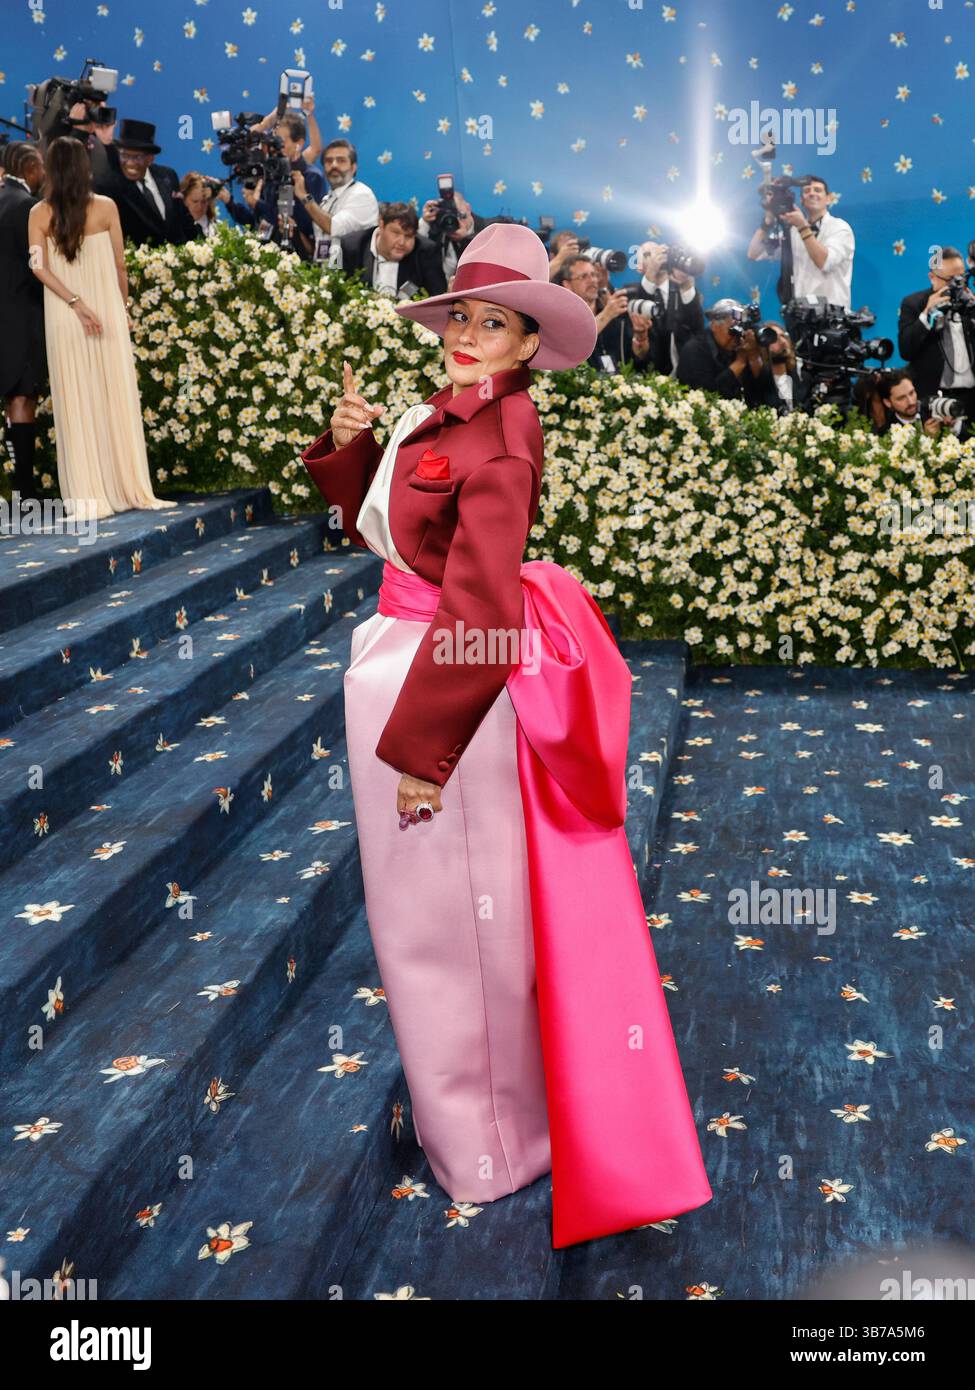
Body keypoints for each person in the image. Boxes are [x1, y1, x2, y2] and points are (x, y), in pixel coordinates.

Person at [299, 223, 713, 1248]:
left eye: (493, 322)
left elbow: (479, 600)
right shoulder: (439, 411)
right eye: (460, 315)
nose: (468, 333)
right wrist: (355, 445)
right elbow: (392, 530)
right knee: (424, 927)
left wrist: (422, 755)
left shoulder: (503, 435)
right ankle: (482, 1127)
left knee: (455, 934)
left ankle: (492, 1144)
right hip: (402, 661)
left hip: (448, 687)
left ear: (529, 342)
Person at [27, 136, 169, 519]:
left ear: (51, 169)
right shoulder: (106, 207)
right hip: (104, 310)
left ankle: (91, 492)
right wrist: (120, 308)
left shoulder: (39, 213)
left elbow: (38, 267)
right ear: (84, 167)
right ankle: (127, 486)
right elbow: (121, 267)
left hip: (65, 313)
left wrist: (75, 303)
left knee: (79, 397)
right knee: (112, 395)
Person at [0, 143, 47, 501]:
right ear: (30, 168)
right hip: (21, 314)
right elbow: (38, 266)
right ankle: (25, 489)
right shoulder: (28, 207)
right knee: (21, 399)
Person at [747, 174, 855, 321]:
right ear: (802, 201)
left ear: (828, 198)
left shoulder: (840, 228)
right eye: (807, 191)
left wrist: (802, 226)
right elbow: (753, 253)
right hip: (801, 320)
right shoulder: (792, 231)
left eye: (818, 190)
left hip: (832, 320)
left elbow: (824, 262)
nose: (812, 193)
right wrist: (767, 222)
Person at [898, 245, 975, 426]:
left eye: (961, 278)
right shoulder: (914, 304)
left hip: (972, 397)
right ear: (932, 277)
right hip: (935, 399)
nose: (958, 285)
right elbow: (906, 351)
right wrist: (927, 314)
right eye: (950, 280)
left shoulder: (969, 303)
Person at [93, 119, 186, 248]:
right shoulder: (111, 187)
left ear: (150, 158)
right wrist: (107, 145)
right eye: (124, 155)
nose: (130, 163)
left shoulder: (168, 176)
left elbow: (182, 219)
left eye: (137, 157)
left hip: (176, 263)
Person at [335, 201, 447, 298]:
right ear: (381, 225)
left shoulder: (426, 252)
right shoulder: (351, 246)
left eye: (408, 236)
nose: (402, 242)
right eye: (396, 233)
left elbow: (437, 297)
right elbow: (337, 290)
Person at [561, 253, 652, 372]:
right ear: (567, 285)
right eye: (583, 276)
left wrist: (641, 338)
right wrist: (607, 314)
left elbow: (639, 357)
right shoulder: (560, 318)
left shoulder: (616, 317)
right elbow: (571, 346)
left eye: (594, 275)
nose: (592, 280)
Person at [628, 241, 706, 376]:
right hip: (648, 376)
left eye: (662, 252)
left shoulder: (685, 291)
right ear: (639, 266)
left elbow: (697, 328)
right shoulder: (629, 292)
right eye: (648, 254)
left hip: (684, 376)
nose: (657, 256)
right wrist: (651, 273)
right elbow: (640, 315)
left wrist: (686, 283)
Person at [299, 138, 379, 263]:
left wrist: (304, 196)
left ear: (353, 168)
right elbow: (319, 246)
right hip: (324, 274)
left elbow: (333, 227)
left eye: (341, 161)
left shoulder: (362, 194)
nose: (334, 165)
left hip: (350, 277)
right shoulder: (327, 199)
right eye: (328, 161)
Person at [676, 299, 766, 399]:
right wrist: (740, 362)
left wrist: (754, 355)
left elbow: (762, 389)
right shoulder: (694, 350)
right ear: (714, 325)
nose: (737, 336)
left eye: (741, 329)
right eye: (733, 329)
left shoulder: (741, 347)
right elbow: (707, 395)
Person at [175, 172, 221, 241]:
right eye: (195, 201)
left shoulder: (219, 227)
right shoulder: (175, 230)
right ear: (184, 200)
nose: (199, 207)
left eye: (204, 201)